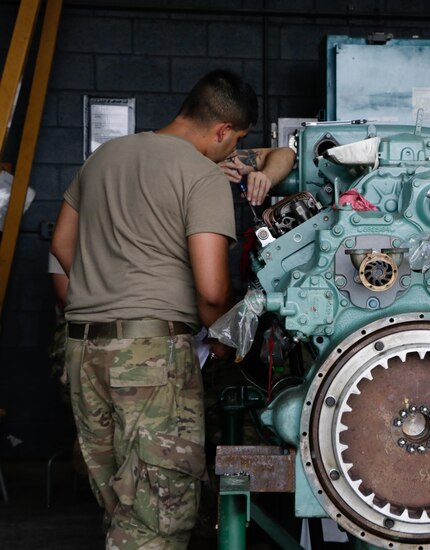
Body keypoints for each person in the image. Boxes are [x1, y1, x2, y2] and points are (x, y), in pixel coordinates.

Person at [50, 68, 257, 549]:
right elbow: (210, 290)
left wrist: (107, 291)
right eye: (236, 141)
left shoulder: (103, 156)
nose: (231, 153)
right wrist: (225, 341)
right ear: (224, 130)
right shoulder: (201, 175)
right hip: (150, 356)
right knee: (161, 514)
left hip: (83, 348)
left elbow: (63, 244)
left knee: (122, 503)